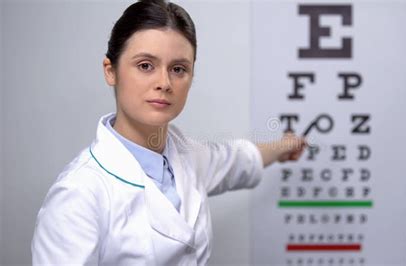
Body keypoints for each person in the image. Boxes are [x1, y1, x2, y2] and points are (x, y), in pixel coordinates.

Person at [31, 0, 306, 265]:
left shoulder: (185, 153)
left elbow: (237, 159)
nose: (164, 83)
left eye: (178, 69)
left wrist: (284, 146)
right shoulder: (78, 194)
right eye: (145, 66)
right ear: (110, 71)